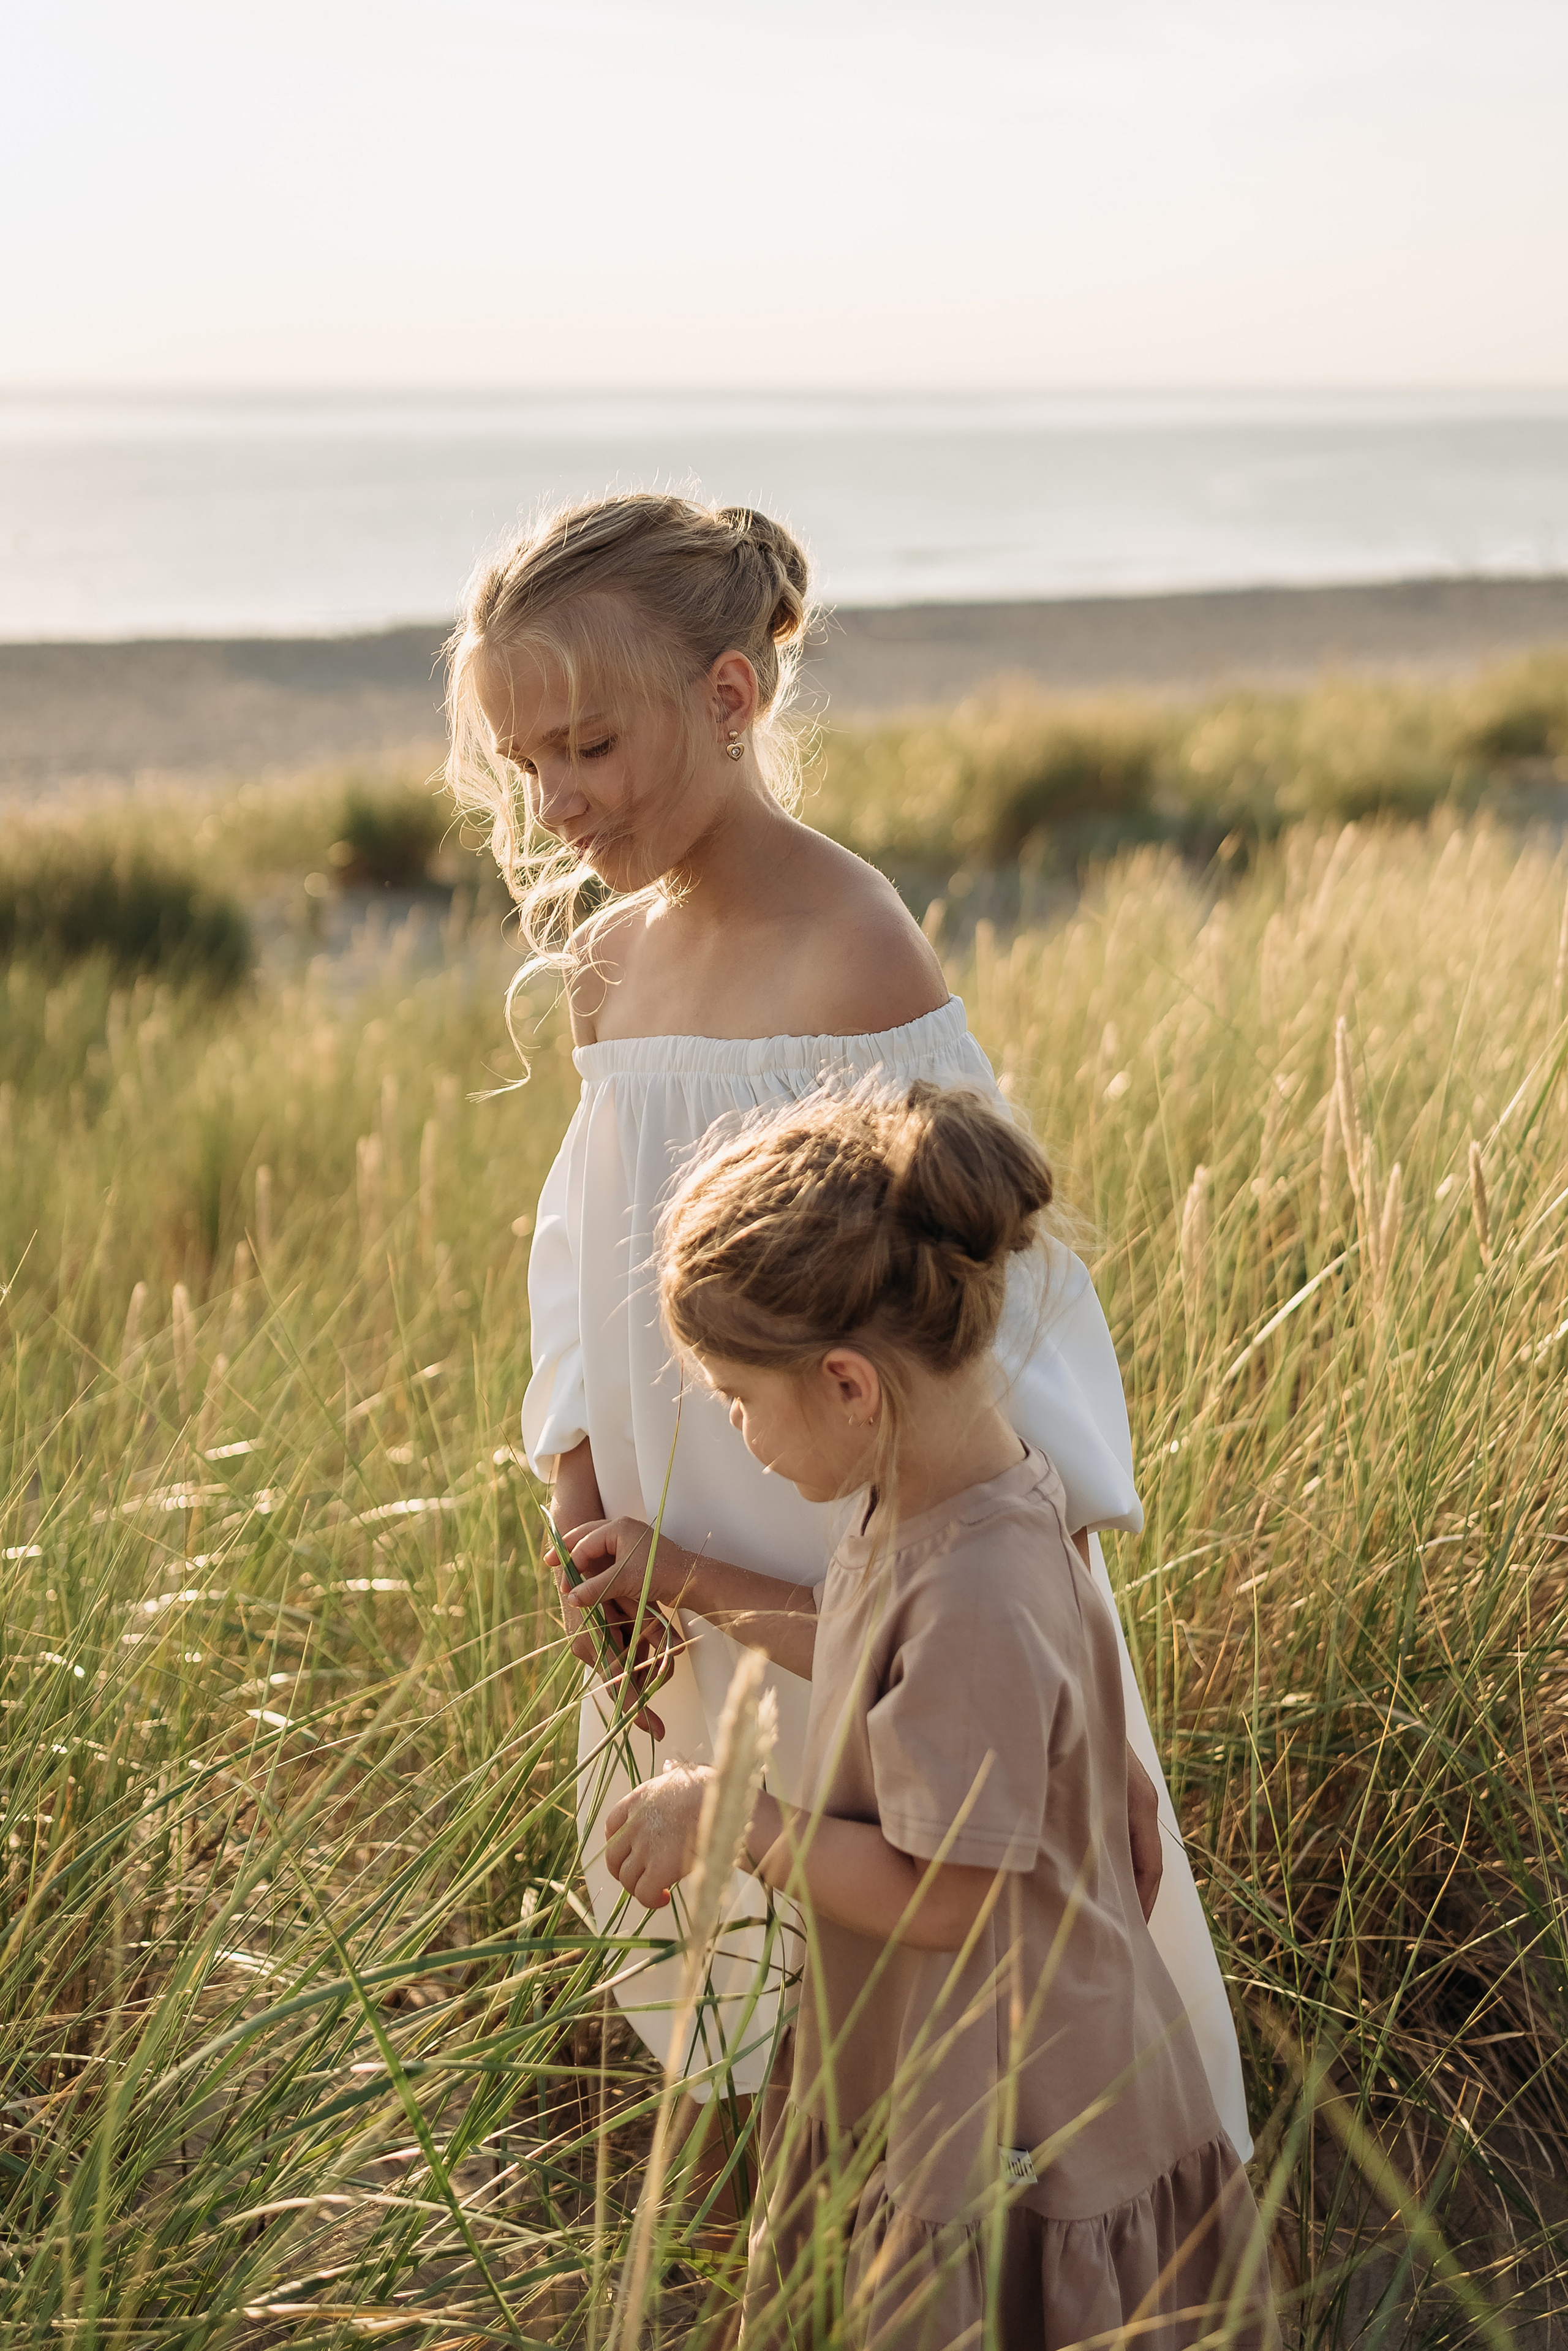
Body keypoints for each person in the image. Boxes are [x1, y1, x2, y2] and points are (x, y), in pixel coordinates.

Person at [443, 489, 1250, 2157]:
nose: (560, 799)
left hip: (872, 1552)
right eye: (530, 764)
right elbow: (580, 1258)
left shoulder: (850, 943)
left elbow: (995, 1292)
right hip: (680, 1544)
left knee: (949, 1944)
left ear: (731, 698)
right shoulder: (609, 968)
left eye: (592, 743)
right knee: (752, 1950)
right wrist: (581, 1494)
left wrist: (1074, 1661)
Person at [586, 1081, 1275, 2351]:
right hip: (924, 2049)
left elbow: (946, 1888)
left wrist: (725, 1813)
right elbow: (862, 1651)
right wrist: (674, 1570)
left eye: (738, 1397)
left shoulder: (974, 1588)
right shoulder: (952, 1494)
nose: (734, 1430)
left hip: (1012, 2100)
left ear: (848, 1383)